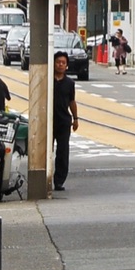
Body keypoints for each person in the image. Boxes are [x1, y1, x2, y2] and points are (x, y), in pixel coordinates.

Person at [51, 51, 79, 191]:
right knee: (45, 151)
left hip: (63, 122)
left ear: (67, 65)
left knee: (63, 152)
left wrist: (75, 119)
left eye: (63, 63)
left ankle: (59, 181)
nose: (60, 65)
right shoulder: (47, 79)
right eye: (58, 62)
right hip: (48, 121)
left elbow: (72, 101)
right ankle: (45, 177)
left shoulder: (70, 83)